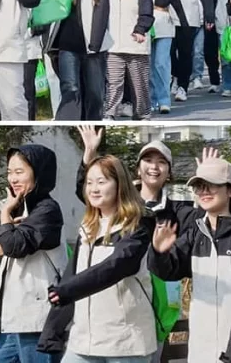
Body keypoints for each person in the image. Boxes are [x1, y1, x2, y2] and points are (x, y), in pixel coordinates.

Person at [149, 152, 231, 363]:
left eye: (212, 184)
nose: (204, 191)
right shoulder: (195, 234)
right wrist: (159, 252)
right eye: (199, 185)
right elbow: (168, 271)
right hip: (203, 349)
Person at [39, 154, 157, 363]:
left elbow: (115, 267)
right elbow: (71, 277)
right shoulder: (88, 228)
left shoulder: (138, 225)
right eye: (89, 183)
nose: (94, 189)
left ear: (119, 185)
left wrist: (66, 291)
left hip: (125, 343)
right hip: (83, 340)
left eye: (102, 182)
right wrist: (53, 331)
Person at [0, 144, 65, 363]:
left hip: (37, 320)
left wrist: (4, 215)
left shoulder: (47, 210)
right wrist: (7, 228)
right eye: (10, 172)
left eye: (19, 172)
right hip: (10, 320)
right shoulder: (17, 208)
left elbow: (13, 247)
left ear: (38, 173)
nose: (13, 178)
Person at [48, 0, 108, 121]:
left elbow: (102, 13)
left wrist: (95, 43)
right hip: (67, 43)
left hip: (93, 45)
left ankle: (93, 123)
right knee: (70, 88)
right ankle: (69, 122)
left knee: (95, 91)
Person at [102, 0, 154, 120]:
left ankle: (142, 113)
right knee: (114, 83)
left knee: (139, 84)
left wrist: (141, 29)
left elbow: (147, 11)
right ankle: (110, 113)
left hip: (135, 44)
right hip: (113, 44)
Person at [163, 0, 215, 102]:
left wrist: (209, 16)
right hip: (168, 16)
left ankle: (183, 87)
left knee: (186, 53)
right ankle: (175, 76)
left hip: (190, 16)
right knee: (169, 53)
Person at [141, 0, 184, 115]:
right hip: (142, 26)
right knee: (147, 65)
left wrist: (154, 2)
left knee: (161, 64)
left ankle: (164, 100)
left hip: (164, 25)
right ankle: (150, 100)